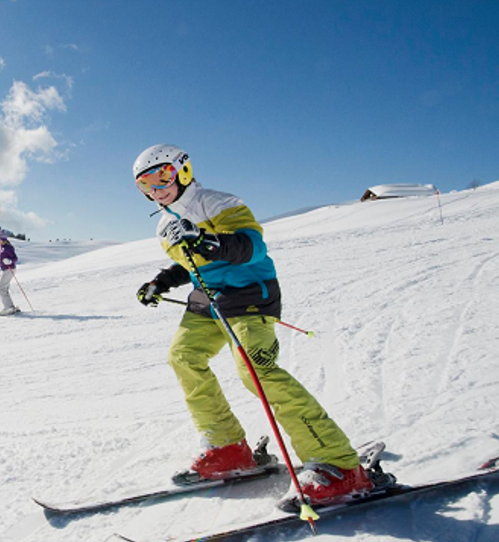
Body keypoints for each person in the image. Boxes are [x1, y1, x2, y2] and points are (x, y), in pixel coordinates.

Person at [131, 143, 373, 510]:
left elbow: (251, 247)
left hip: (248, 293)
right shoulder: (166, 225)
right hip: (208, 297)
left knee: (255, 370)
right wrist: (160, 283)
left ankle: (339, 464)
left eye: (161, 175)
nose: (155, 187)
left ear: (181, 170)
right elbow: (190, 264)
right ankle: (229, 449)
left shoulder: (217, 203)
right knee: (183, 357)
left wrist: (208, 240)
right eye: (144, 183)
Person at [0, 229, 20, 316]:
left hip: (10, 269)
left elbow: (15, 258)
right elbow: (2, 260)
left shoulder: (8, 248)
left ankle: (8, 307)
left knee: (1, 288)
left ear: (2, 239)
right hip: (7, 269)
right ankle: (10, 307)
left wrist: (9, 261)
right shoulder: (2, 248)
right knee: (4, 288)